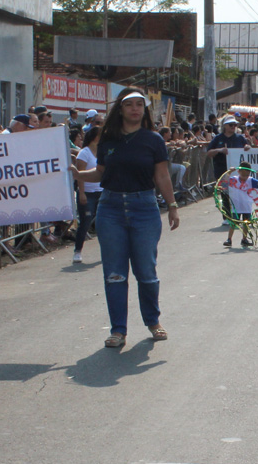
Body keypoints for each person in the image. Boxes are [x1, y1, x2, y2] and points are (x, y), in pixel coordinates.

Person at [71, 88, 180, 348]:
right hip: (111, 209)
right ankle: (118, 330)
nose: (134, 109)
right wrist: (77, 174)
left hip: (144, 207)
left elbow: (162, 176)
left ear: (144, 110)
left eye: (139, 105)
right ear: (120, 109)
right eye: (129, 105)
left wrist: (173, 205)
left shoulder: (153, 140)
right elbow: (100, 174)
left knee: (146, 272)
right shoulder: (107, 139)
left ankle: (153, 321)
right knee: (115, 274)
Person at [206, 116, 251, 225]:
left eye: (235, 125)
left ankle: (240, 216)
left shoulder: (240, 138)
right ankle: (227, 216)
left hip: (238, 172)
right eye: (231, 125)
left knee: (239, 192)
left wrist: (247, 147)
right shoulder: (218, 138)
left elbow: (247, 146)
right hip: (222, 169)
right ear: (225, 126)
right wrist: (219, 150)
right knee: (225, 193)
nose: (233, 127)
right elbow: (209, 153)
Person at [72, 125, 103, 264]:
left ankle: (106, 250)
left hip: (101, 191)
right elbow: (80, 175)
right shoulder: (84, 153)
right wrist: (82, 193)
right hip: (88, 192)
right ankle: (78, 250)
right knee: (85, 221)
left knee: (103, 222)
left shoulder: (103, 151)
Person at [220, 162, 258, 248]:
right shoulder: (233, 179)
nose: (245, 177)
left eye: (247, 174)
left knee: (246, 223)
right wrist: (229, 172)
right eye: (243, 174)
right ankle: (229, 239)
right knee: (233, 223)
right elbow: (224, 184)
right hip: (236, 206)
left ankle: (244, 239)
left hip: (246, 206)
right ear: (239, 172)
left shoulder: (251, 180)